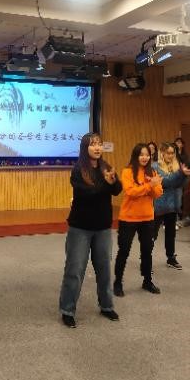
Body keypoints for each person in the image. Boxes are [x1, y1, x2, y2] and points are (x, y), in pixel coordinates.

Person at [59, 132, 123, 328]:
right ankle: (67, 310)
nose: (97, 148)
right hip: (80, 228)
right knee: (75, 270)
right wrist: (106, 184)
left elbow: (117, 190)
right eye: (93, 144)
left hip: (103, 227)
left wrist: (114, 181)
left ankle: (106, 306)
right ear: (85, 148)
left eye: (99, 144)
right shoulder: (78, 169)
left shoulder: (106, 167)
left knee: (104, 269)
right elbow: (86, 193)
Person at [113, 143, 163, 296]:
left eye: (147, 155)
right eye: (141, 154)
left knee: (147, 251)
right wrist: (149, 186)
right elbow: (131, 192)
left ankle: (147, 281)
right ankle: (117, 282)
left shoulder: (152, 172)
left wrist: (152, 186)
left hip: (147, 218)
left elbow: (158, 193)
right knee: (124, 251)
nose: (145, 157)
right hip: (128, 218)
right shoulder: (127, 171)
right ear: (136, 156)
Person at [152, 142, 190, 270]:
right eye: (168, 153)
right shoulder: (155, 166)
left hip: (173, 205)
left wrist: (184, 175)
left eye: (172, 153)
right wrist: (181, 174)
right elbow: (165, 182)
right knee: (152, 234)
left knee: (170, 234)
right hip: (159, 205)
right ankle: (146, 257)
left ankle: (171, 258)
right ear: (162, 153)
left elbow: (182, 183)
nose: (170, 155)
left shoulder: (177, 165)